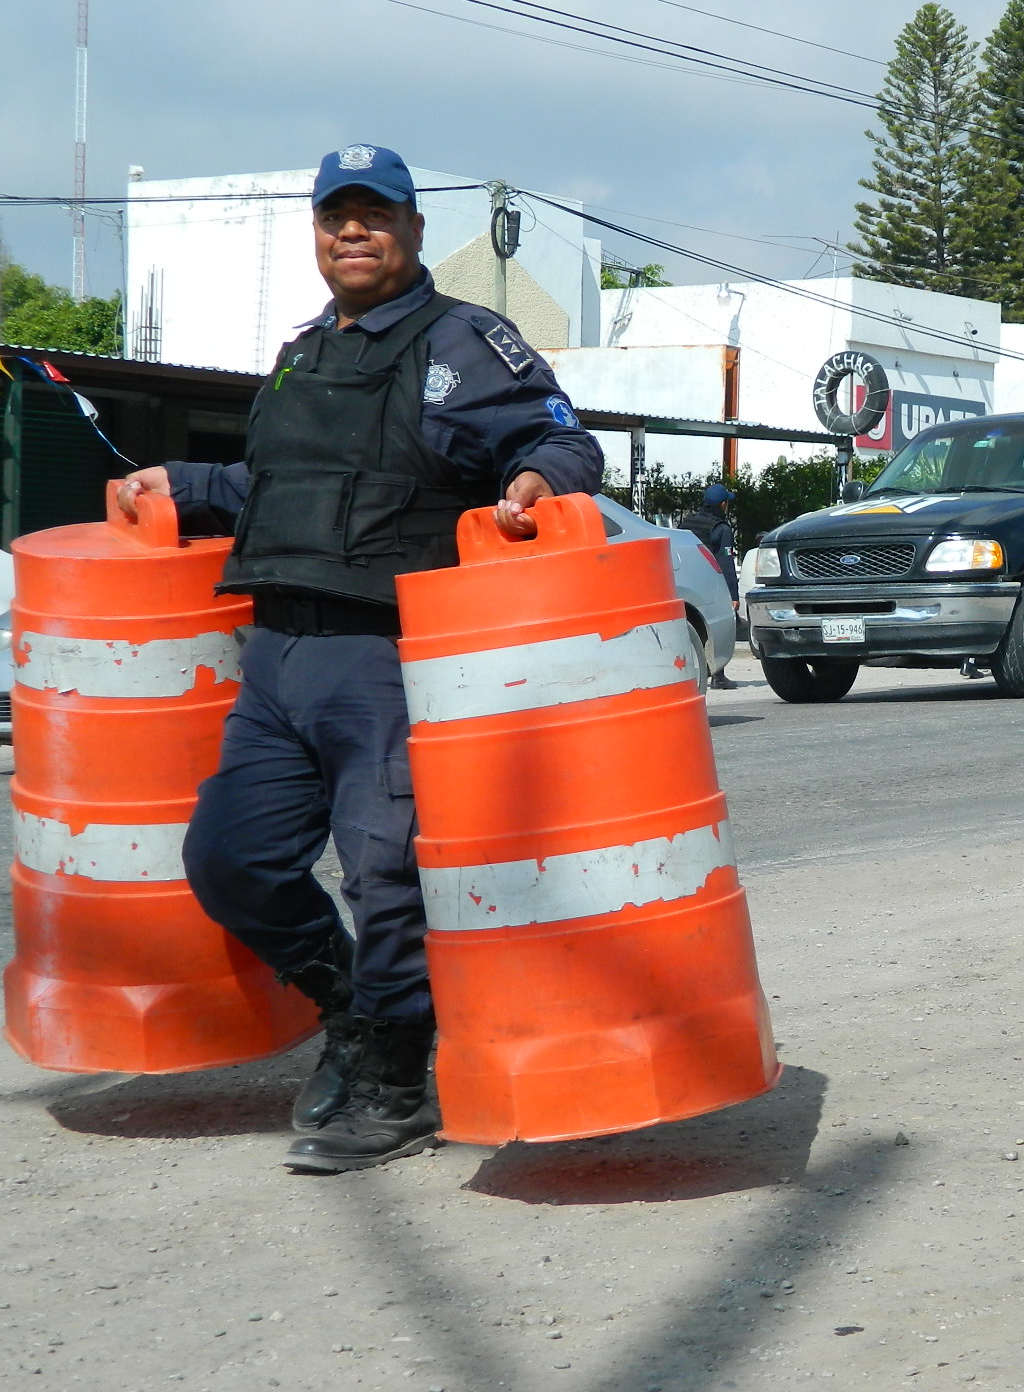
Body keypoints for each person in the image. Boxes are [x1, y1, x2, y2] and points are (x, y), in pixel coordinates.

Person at [113, 144, 604, 1174]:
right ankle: (352, 1011)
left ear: (413, 230)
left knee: (386, 871)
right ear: (317, 232)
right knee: (228, 858)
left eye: (374, 214)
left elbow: (562, 441)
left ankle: (394, 1078)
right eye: (336, 215)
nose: (353, 231)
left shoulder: (466, 344)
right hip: (280, 653)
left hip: (389, 656)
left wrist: (530, 486)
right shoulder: (302, 354)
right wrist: (185, 482)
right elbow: (276, 488)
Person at [682, 482, 740, 689]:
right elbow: (725, 562)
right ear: (723, 504)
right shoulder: (721, 529)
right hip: (711, 583)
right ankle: (718, 675)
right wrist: (733, 594)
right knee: (715, 625)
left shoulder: (687, 523)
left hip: (686, 581)